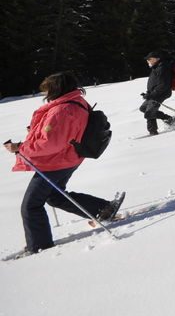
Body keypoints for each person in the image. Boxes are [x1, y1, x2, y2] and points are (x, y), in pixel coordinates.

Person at [3, 71, 124, 255]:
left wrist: (20, 147)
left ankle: (39, 247)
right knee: (55, 197)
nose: (45, 94)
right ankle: (103, 209)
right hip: (68, 158)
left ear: (56, 89)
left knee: (31, 205)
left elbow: (50, 143)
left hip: (57, 162)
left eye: (47, 90)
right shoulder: (74, 101)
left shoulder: (63, 109)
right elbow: (58, 133)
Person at [140, 50, 175, 135]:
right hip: (154, 94)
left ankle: (153, 132)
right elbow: (155, 82)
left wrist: (151, 94)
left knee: (149, 113)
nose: (147, 61)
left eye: (149, 59)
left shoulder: (162, 68)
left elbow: (163, 85)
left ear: (156, 59)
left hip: (161, 93)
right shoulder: (156, 67)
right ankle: (169, 119)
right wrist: (148, 94)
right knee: (143, 108)